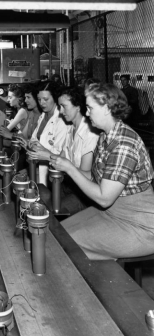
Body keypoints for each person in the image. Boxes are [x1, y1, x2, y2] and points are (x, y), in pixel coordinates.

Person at [50, 83, 154, 260]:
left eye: (90, 108)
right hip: (111, 213)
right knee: (56, 235)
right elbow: (94, 177)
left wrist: (69, 168)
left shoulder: (123, 144)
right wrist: (68, 166)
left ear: (106, 108)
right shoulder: (107, 136)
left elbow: (104, 198)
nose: (87, 113)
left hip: (138, 226)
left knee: (62, 247)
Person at [39, 86, 100, 215]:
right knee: (40, 202)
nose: (61, 111)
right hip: (69, 186)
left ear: (78, 106)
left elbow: (86, 177)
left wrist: (48, 156)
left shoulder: (89, 134)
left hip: (83, 194)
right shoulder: (71, 129)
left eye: (64, 106)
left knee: (51, 212)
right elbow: (61, 158)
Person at [21, 81, 69, 185]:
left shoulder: (61, 120)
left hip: (54, 175)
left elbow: (61, 155)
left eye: (46, 99)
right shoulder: (43, 115)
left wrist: (41, 151)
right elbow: (34, 140)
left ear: (55, 98)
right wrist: (29, 145)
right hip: (37, 169)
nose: (42, 103)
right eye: (39, 99)